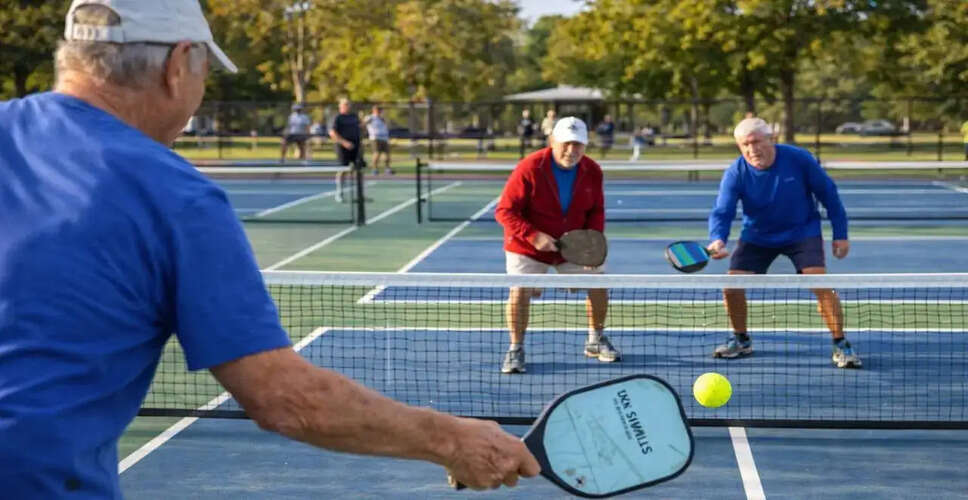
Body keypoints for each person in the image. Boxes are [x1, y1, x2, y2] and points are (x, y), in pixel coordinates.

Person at [0, 1, 539, 497]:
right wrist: (452, 440)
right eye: (206, 70)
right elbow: (287, 400)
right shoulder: (176, 197)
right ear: (179, 63)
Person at [706, 117, 860, 369]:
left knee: (820, 282)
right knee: (731, 285)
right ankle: (741, 340)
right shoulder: (736, 172)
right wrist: (717, 240)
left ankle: (840, 343)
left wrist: (840, 234)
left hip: (801, 232)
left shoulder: (799, 159)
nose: (751, 149)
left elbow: (828, 194)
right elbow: (722, 211)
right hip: (757, 236)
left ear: (771, 139)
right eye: (744, 145)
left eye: (756, 142)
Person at [494, 117, 620, 374]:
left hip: (571, 246)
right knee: (520, 290)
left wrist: (590, 246)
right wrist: (532, 235)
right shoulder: (529, 167)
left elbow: (596, 211)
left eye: (578, 145)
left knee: (598, 282)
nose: (572, 151)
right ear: (552, 141)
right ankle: (515, 348)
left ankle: (595, 340)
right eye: (566, 144)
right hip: (526, 246)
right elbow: (505, 211)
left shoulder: (593, 171)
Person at [329, 98, 363, 167]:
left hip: (355, 144)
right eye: (345, 105)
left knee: (359, 165)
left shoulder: (354, 116)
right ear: (340, 106)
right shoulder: (337, 117)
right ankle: (340, 178)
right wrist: (344, 143)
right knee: (343, 166)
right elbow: (332, 133)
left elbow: (360, 128)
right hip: (343, 146)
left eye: (348, 105)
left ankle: (358, 177)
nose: (348, 106)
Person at [364, 105, 393, 175]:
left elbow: (387, 126)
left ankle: (387, 169)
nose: (379, 111)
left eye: (380, 110)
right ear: (374, 110)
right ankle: (374, 169)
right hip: (375, 138)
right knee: (377, 153)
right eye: (377, 110)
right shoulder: (370, 117)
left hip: (384, 138)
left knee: (387, 154)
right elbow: (364, 123)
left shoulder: (382, 118)